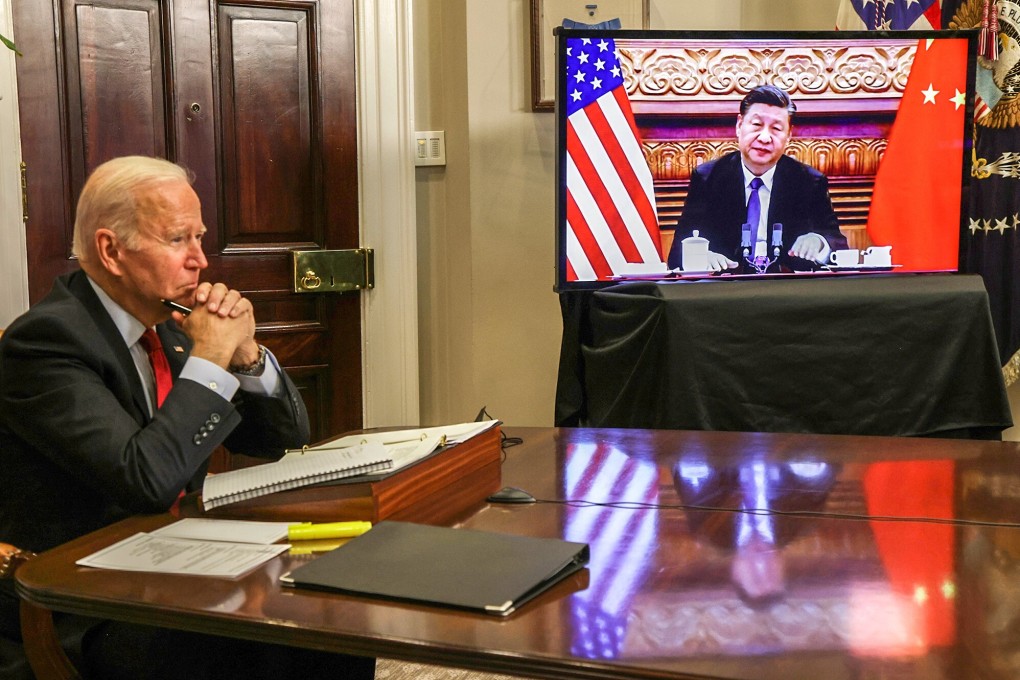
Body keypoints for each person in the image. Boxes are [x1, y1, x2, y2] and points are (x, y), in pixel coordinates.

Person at [0, 156, 375, 679]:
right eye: (178, 239)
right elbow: (144, 480)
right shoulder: (47, 343)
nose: (200, 260)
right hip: (84, 597)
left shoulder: (169, 324)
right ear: (111, 250)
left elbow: (283, 438)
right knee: (258, 635)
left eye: (199, 238)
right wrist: (210, 358)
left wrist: (245, 355)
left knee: (333, 602)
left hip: (179, 556)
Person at [666, 84, 848, 272]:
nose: (765, 137)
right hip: (726, 286)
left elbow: (838, 245)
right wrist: (699, 256)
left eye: (776, 128)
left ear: (789, 136)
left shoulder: (808, 182)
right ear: (739, 125)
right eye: (757, 125)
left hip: (788, 286)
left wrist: (819, 243)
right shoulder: (708, 177)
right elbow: (678, 252)